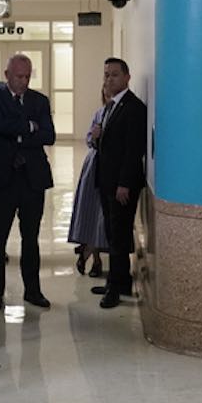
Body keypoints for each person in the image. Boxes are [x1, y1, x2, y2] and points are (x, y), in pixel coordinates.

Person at [0, 54, 55, 311]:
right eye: (18, 76)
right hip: (1, 179)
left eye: (26, 76)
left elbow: (49, 135)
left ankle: (32, 290)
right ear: (6, 74)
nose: (23, 81)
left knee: (30, 238)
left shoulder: (39, 100)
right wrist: (30, 128)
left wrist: (21, 134)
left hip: (32, 179)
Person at [91, 59, 148, 309]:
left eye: (114, 75)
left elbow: (133, 150)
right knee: (113, 232)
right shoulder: (110, 106)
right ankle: (119, 280)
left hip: (122, 185)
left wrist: (124, 183)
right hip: (107, 181)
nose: (109, 79)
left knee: (119, 234)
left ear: (127, 77)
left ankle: (115, 289)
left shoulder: (134, 107)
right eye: (106, 75)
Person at [67, 86, 110, 279]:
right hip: (93, 167)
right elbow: (88, 139)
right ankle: (95, 258)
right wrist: (94, 136)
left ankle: (87, 253)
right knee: (91, 213)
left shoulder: (119, 113)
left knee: (101, 217)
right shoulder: (99, 114)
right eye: (105, 94)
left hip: (109, 168)